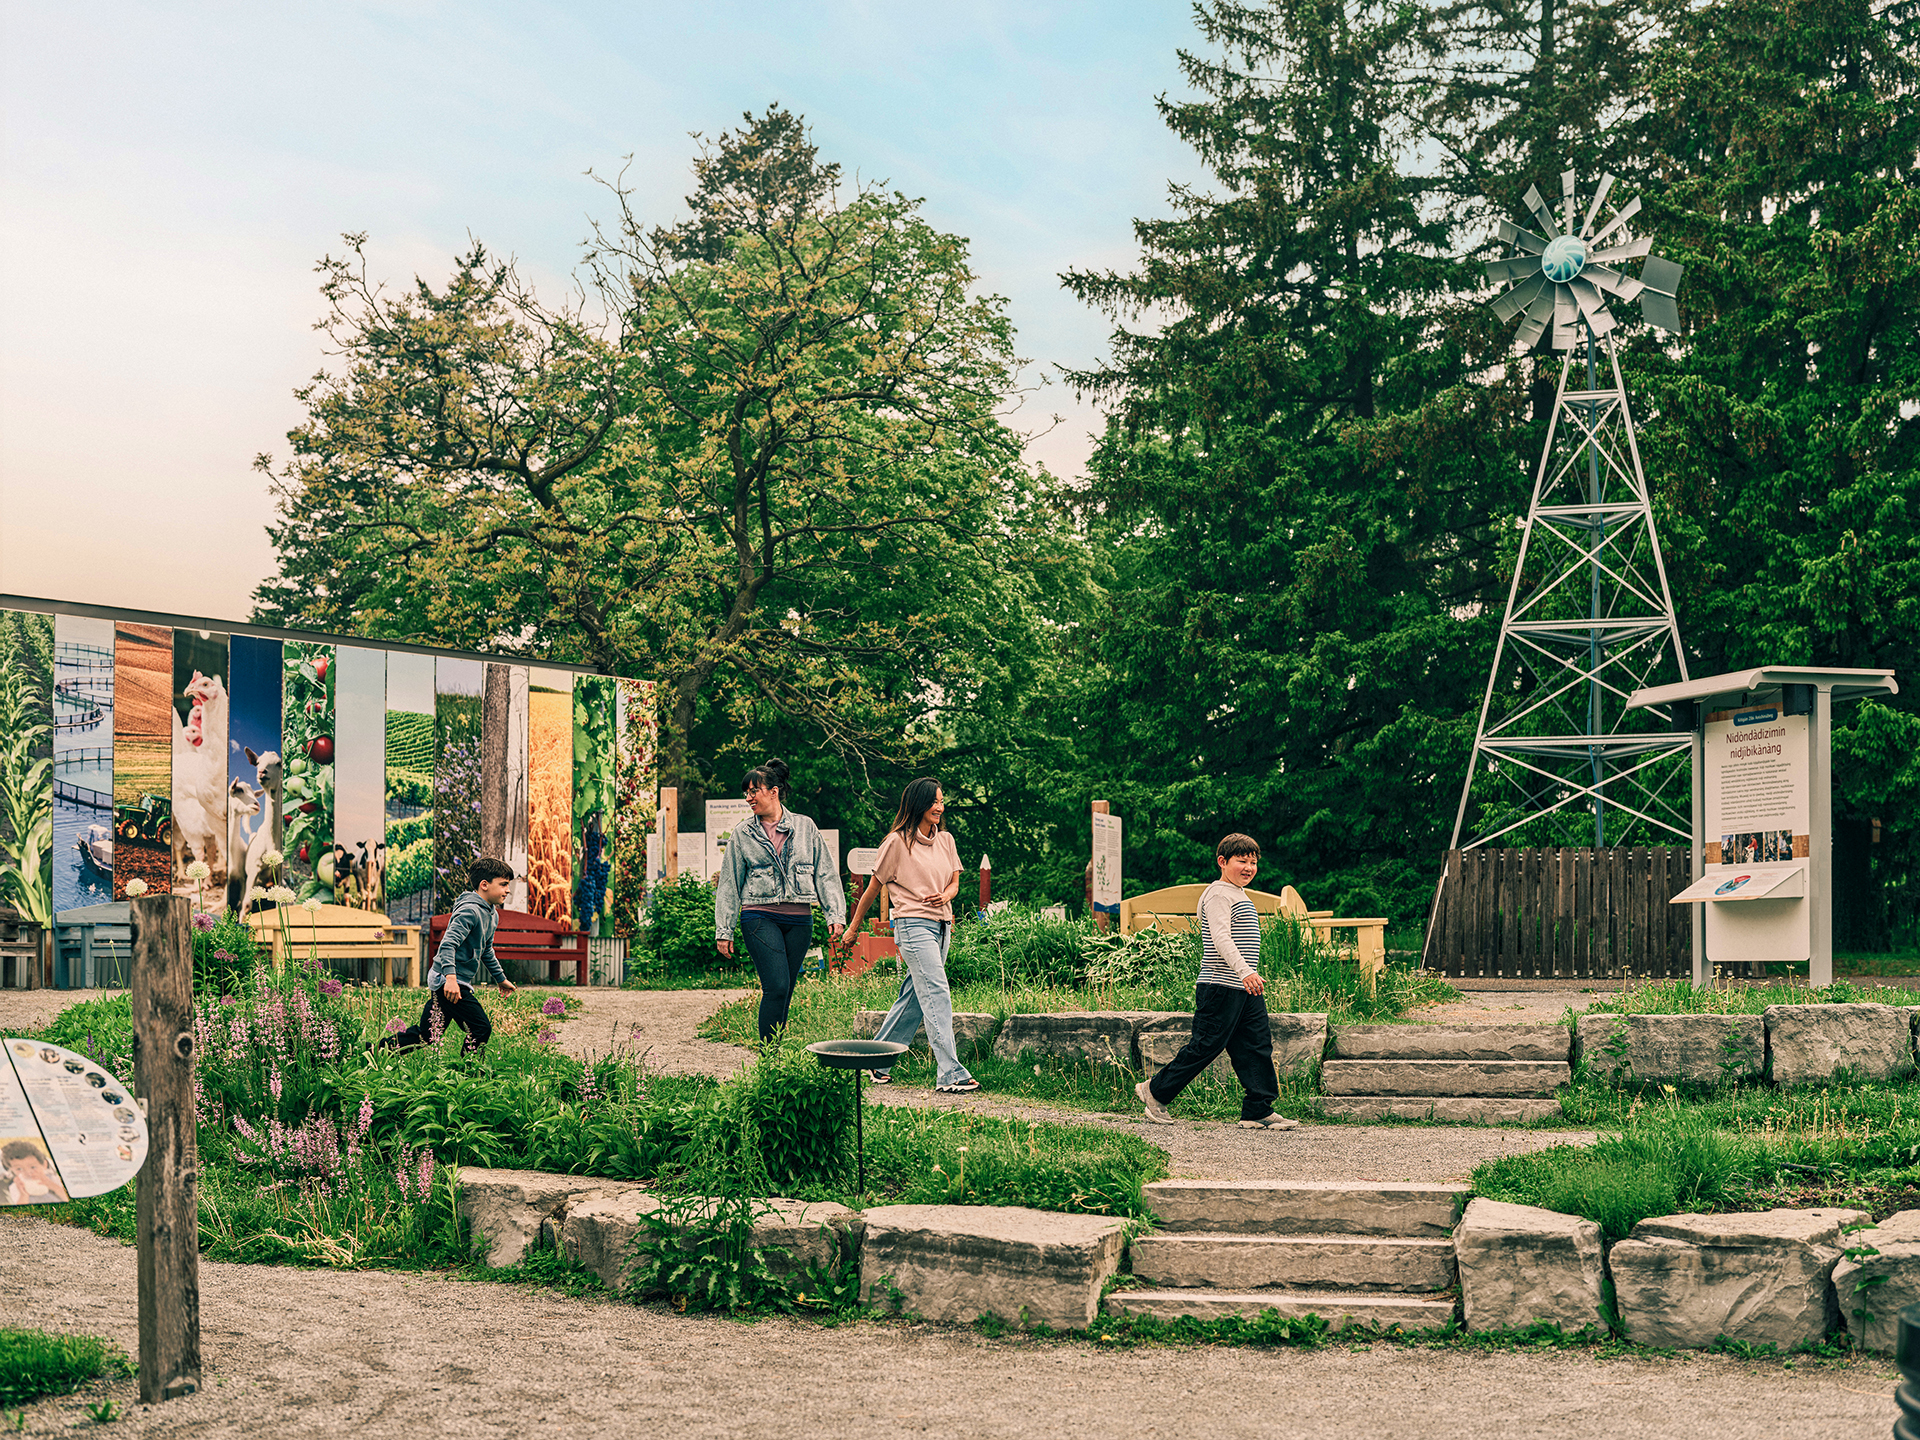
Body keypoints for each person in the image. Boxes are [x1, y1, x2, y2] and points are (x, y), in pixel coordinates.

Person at [1135, 833, 1297, 1130]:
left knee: (1256, 1046)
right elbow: (1221, 938)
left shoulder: (1236, 892)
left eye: (1253, 862)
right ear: (1223, 862)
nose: (1249, 867)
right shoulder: (1219, 893)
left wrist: (1247, 977)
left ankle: (1258, 1109)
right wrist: (1244, 971)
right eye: (1241, 861)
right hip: (1221, 984)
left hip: (1244, 987)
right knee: (1206, 1045)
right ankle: (1155, 1091)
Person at [844, 777, 979, 1094]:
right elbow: (872, 889)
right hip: (912, 924)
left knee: (916, 997)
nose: (939, 806)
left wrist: (946, 896)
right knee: (936, 991)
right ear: (919, 803)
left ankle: (875, 1059)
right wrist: (854, 927)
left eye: (942, 801)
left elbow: (955, 884)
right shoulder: (896, 843)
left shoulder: (945, 840)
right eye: (934, 801)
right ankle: (950, 1072)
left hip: (942, 925)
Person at [713, 758, 848, 1041]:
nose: (748, 797)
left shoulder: (805, 827)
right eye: (746, 792)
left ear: (773, 791)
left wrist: (835, 915)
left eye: (754, 790)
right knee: (775, 985)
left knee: (786, 987)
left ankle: (777, 1053)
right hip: (759, 916)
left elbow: (825, 873)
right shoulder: (742, 833)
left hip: (799, 920)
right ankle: (768, 1057)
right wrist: (724, 931)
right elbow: (729, 884)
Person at [382, 858, 517, 1054]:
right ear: (484, 885)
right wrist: (451, 979)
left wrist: (501, 979)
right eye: (503, 884)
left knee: (427, 1035)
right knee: (480, 1028)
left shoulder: (491, 914)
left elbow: (486, 949)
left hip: (453, 979)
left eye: (508, 885)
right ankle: (470, 1074)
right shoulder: (469, 911)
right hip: (449, 980)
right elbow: (447, 945)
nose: (508, 890)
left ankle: (375, 1051)